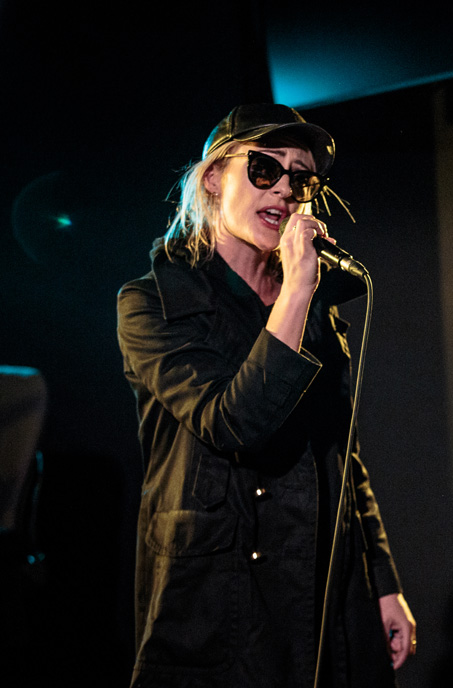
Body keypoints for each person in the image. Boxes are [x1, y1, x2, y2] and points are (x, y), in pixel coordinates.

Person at [117, 104, 416, 687]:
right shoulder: (153, 303)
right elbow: (233, 423)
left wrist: (382, 581)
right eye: (263, 169)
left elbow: (342, 451)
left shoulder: (312, 304)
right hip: (220, 599)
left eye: (299, 178)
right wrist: (299, 288)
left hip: (324, 588)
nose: (282, 190)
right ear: (213, 178)